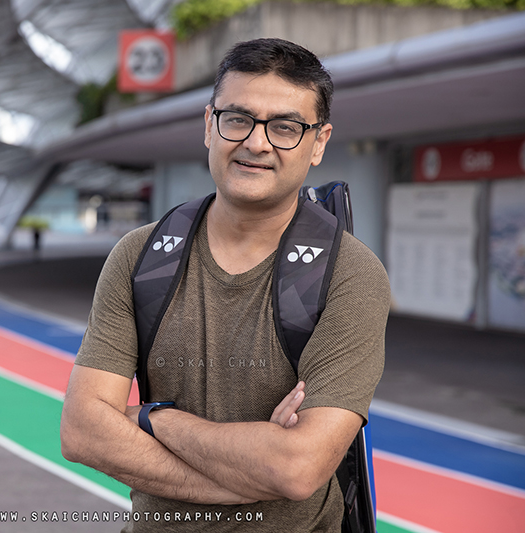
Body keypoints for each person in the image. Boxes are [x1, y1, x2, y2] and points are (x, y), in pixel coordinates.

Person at [60, 38, 390, 532]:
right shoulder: (140, 256)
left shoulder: (349, 274)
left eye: (285, 128)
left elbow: (297, 468)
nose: (256, 143)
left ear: (319, 142)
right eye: (238, 119)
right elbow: (83, 431)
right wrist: (240, 482)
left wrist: (155, 418)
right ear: (208, 125)